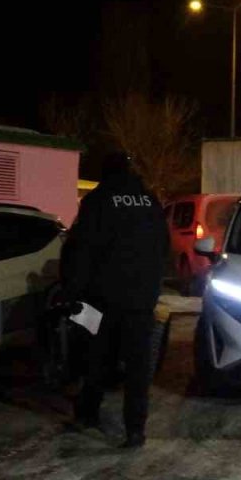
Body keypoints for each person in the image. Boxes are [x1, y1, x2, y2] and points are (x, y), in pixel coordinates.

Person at [63, 152, 168, 449]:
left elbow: (80, 251)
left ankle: (87, 414)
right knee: (137, 368)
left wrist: (74, 294)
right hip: (141, 302)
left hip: (100, 301)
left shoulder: (97, 202)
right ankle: (135, 430)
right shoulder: (150, 202)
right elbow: (163, 249)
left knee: (95, 358)